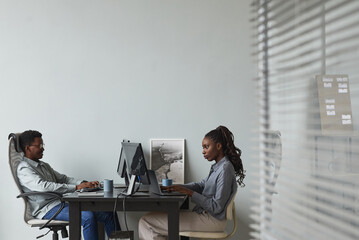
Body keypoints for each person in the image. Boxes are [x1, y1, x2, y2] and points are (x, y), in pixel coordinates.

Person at [138, 125, 245, 240]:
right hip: (206, 216)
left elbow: (216, 207)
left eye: (206, 147)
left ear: (219, 146)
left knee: (146, 222)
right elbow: (201, 185)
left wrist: (190, 193)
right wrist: (177, 187)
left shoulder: (225, 169)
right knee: (150, 220)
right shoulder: (218, 167)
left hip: (212, 220)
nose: (203, 151)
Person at [17, 130, 120, 240]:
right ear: (28, 148)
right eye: (39, 145)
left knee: (108, 213)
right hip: (46, 209)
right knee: (88, 217)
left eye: (43, 145)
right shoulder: (24, 168)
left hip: (61, 203)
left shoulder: (43, 165)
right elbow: (43, 186)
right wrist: (76, 188)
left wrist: (84, 183)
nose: (43, 148)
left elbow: (63, 178)